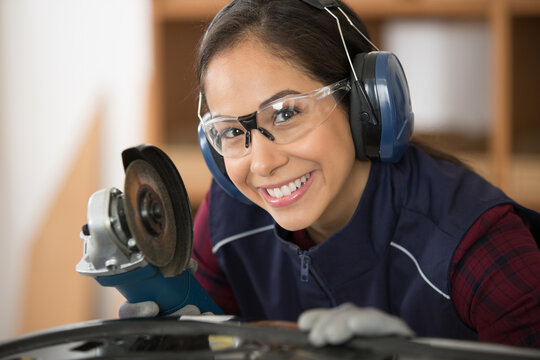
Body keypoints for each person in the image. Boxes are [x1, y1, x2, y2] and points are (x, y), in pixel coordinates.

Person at [120, 0, 540, 348]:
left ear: (367, 106)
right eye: (231, 131)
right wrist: (176, 335)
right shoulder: (227, 217)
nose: (262, 163)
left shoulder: (475, 240)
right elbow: (218, 340)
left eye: (286, 113)